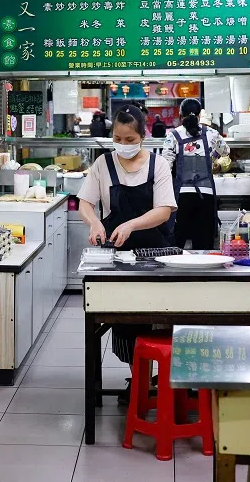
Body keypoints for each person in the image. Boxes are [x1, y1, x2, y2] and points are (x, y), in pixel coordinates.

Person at [78, 106, 176, 399]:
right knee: (123, 321)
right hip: (118, 257)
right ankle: (139, 378)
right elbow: (85, 202)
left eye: (130, 139)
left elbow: (163, 210)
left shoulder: (157, 165)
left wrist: (131, 224)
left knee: (157, 316)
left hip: (155, 254)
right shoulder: (102, 165)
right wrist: (94, 221)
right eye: (118, 138)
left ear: (143, 136)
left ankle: (156, 378)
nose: (123, 144)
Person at [162, 98, 230, 250]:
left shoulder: (173, 136)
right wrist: (213, 155)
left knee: (176, 244)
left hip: (181, 197)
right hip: (205, 196)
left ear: (181, 116)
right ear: (199, 116)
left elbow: (165, 166)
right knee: (203, 244)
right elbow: (226, 151)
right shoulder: (211, 133)